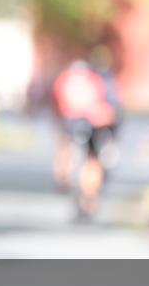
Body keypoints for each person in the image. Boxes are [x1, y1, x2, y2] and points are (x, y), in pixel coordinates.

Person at [51, 51, 121, 219]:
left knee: (70, 150)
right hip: (93, 124)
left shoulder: (65, 79)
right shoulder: (96, 79)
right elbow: (109, 106)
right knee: (92, 160)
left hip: (71, 123)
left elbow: (56, 103)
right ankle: (90, 196)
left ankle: (67, 177)